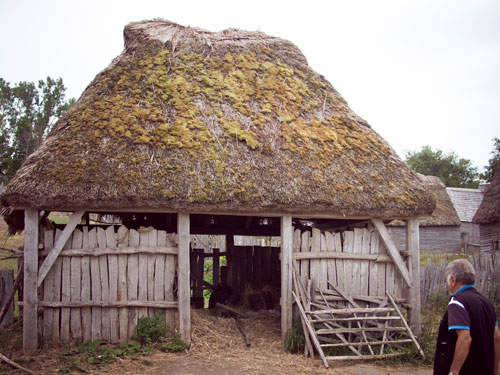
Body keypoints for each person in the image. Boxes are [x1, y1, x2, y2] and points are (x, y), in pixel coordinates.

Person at [433, 259, 500, 375]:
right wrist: (495, 370)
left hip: (466, 369)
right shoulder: (486, 303)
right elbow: (496, 338)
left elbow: (465, 339)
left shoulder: (457, 301)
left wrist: (454, 371)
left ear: (452, 280)